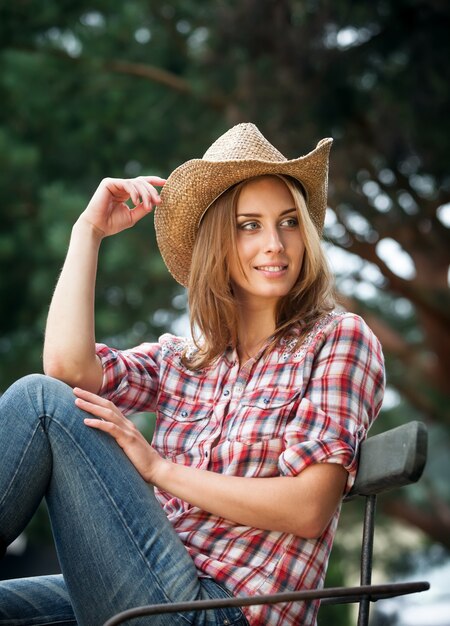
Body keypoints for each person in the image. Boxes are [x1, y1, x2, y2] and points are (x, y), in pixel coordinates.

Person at [0, 123, 385, 626]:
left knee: (40, 404)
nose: (275, 243)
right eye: (250, 225)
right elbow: (68, 369)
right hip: (155, 584)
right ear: (217, 242)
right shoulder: (185, 360)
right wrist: (87, 233)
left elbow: (308, 507)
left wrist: (160, 470)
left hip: (222, 612)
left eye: (288, 222)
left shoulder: (337, 339)